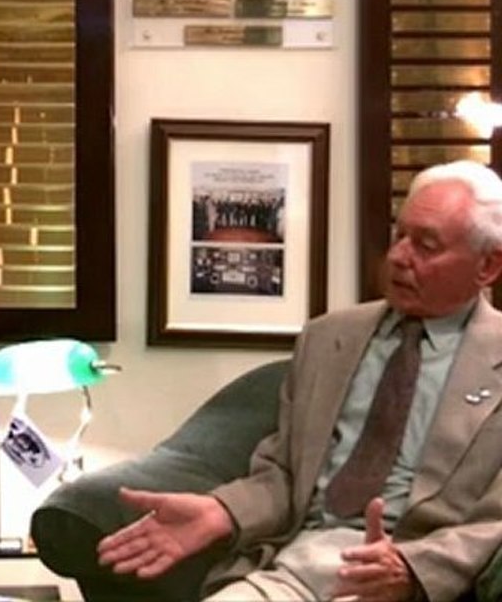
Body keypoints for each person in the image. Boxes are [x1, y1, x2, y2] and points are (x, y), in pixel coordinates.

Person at [98, 160, 502, 602]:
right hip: (294, 568)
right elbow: (285, 473)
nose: (399, 257)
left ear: (487, 266)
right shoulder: (329, 337)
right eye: (399, 235)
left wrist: (413, 568)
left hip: (407, 579)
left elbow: (494, 522)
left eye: (426, 245)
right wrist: (221, 511)